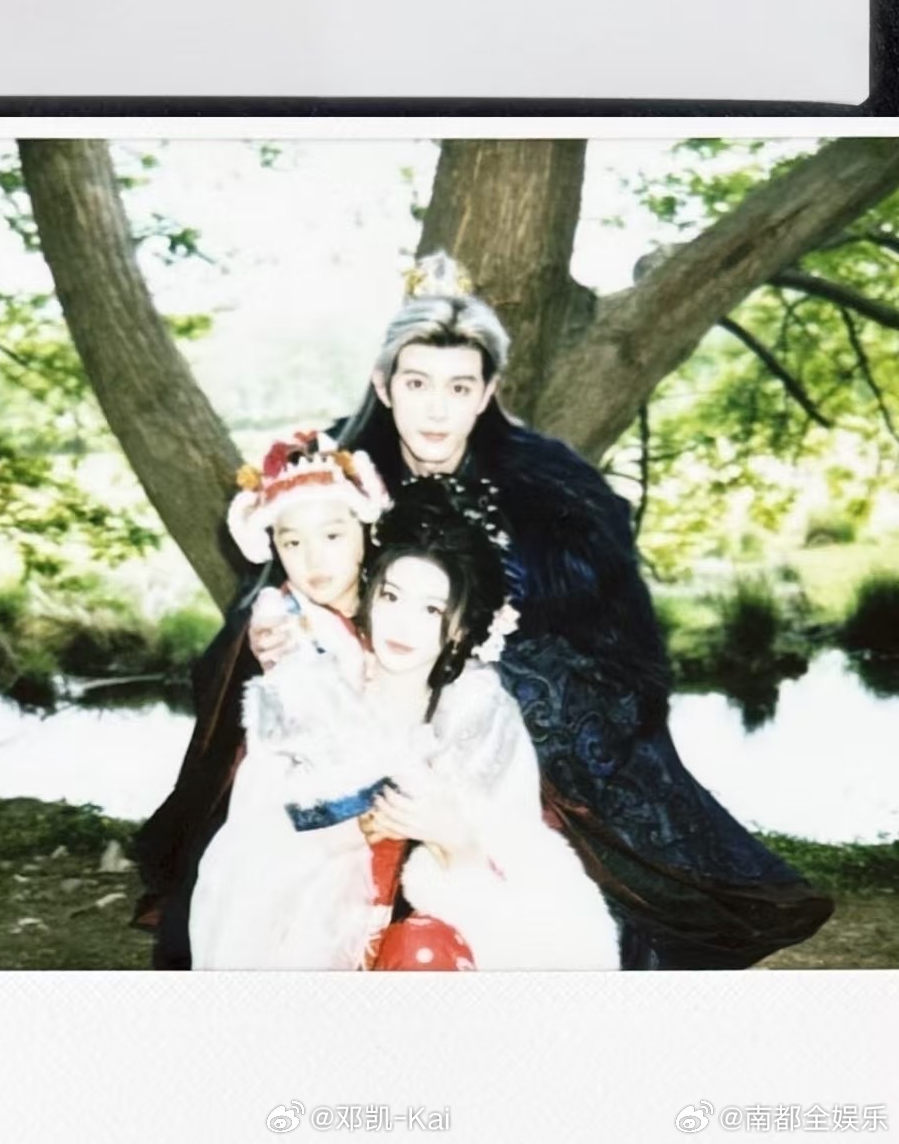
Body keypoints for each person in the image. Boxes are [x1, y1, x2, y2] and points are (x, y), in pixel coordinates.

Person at [135, 256, 832, 970]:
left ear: (487, 393)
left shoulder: (554, 487)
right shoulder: (338, 472)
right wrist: (271, 632)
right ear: (384, 384)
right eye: (417, 384)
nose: (436, 410)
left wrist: (485, 680)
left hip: (508, 719)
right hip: (359, 705)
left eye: (459, 387)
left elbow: (617, 643)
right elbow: (283, 579)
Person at [187, 454, 619, 971]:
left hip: (432, 929)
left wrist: (453, 840)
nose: (403, 623)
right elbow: (263, 829)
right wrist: (348, 824)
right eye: (391, 596)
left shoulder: (477, 712)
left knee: (423, 949)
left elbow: (515, 851)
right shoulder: (319, 679)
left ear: (461, 627)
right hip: (311, 921)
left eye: (432, 609)